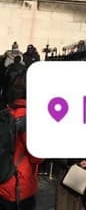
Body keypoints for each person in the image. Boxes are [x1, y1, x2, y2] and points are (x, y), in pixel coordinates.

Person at [0, 72, 43, 210]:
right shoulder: (28, 118)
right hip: (20, 187)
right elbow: (37, 158)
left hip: (2, 183)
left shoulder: (5, 113)